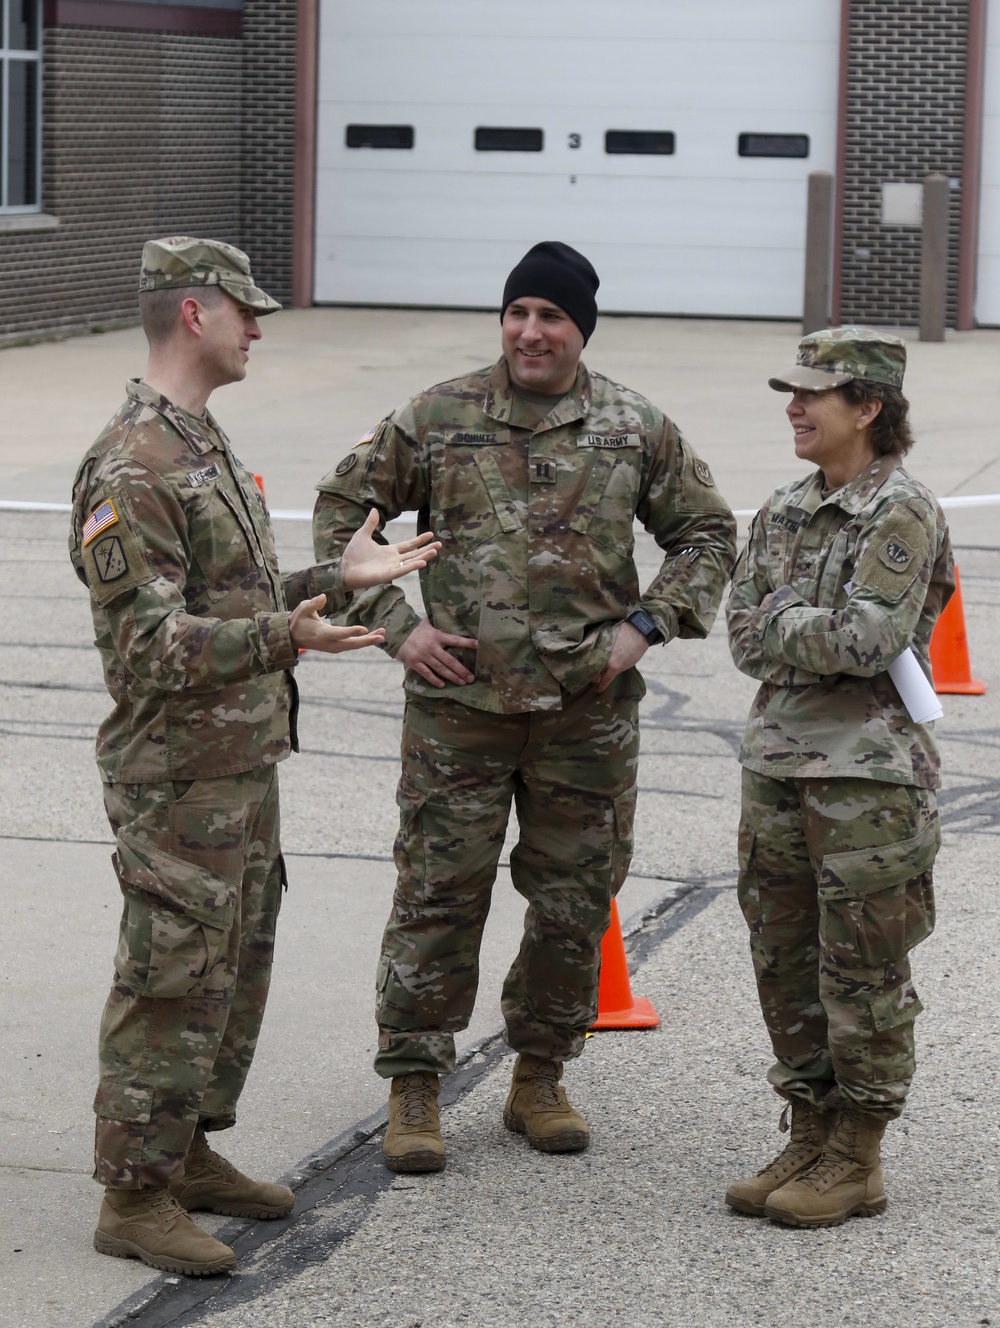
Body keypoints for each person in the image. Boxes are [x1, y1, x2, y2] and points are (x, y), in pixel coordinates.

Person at [313, 240, 736, 1173]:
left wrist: (648, 628)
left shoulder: (634, 425)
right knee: (437, 891)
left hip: (589, 713)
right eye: (518, 313)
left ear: (580, 328)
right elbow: (345, 516)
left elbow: (707, 533)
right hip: (459, 710)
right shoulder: (436, 417)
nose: (530, 331)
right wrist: (394, 626)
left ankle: (539, 1073)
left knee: (574, 899)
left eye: (551, 316)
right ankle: (414, 1083)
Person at [69, 236, 440, 1276]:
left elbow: (225, 600)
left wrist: (335, 573)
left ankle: (182, 1149)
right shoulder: (132, 464)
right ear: (196, 313)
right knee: (170, 973)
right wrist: (290, 637)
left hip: (233, 765)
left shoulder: (199, 442)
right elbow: (148, 647)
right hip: (177, 773)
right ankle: (131, 1193)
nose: (260, 328)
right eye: (247, 310)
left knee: (229, 967)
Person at [725, 327, 954, 1228]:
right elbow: (741, 634)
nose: (794, 405)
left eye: (813, 393)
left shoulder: (901, 511)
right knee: (782, 958)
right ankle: (810, 1125)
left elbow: (869, 640)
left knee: (862, 965)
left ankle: (858, 1152)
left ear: (868, 408)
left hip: (868, 779)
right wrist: (797, 622)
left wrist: (787, 619)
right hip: (777, 761)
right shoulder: (785, 508)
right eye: (791, 390)